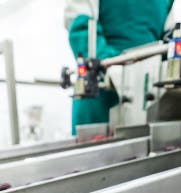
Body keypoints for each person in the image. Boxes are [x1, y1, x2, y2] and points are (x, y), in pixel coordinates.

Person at [64, 0, 174, 133]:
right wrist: (114, 64)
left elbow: (170, 40)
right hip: (100, 92)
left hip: (148, 93)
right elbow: (81, 27)